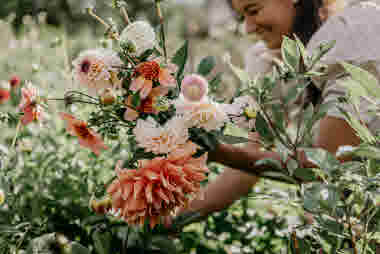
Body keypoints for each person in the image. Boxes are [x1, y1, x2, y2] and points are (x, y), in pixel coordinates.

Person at [169, 0, 380, 226]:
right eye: (243, 17)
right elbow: (246, 169)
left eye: (253, 11)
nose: (248, 28)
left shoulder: (354, 35)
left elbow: (329, 165)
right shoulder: (275, 60)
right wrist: (173, 221)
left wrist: (220, 152)